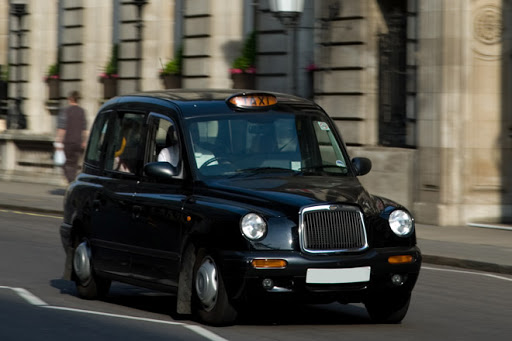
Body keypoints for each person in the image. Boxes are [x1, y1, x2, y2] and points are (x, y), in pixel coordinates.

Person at [55, 91, 88, 183]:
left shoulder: (65, 111)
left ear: (70, 99)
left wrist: (58, 141)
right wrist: (84, 141)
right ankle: (73, 180)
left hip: (68, 141)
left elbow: (62, 128)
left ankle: (71, 181)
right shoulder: (82, 111)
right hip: (78, 141)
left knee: (64, 163)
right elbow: (84, 129)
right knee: (74, 163)